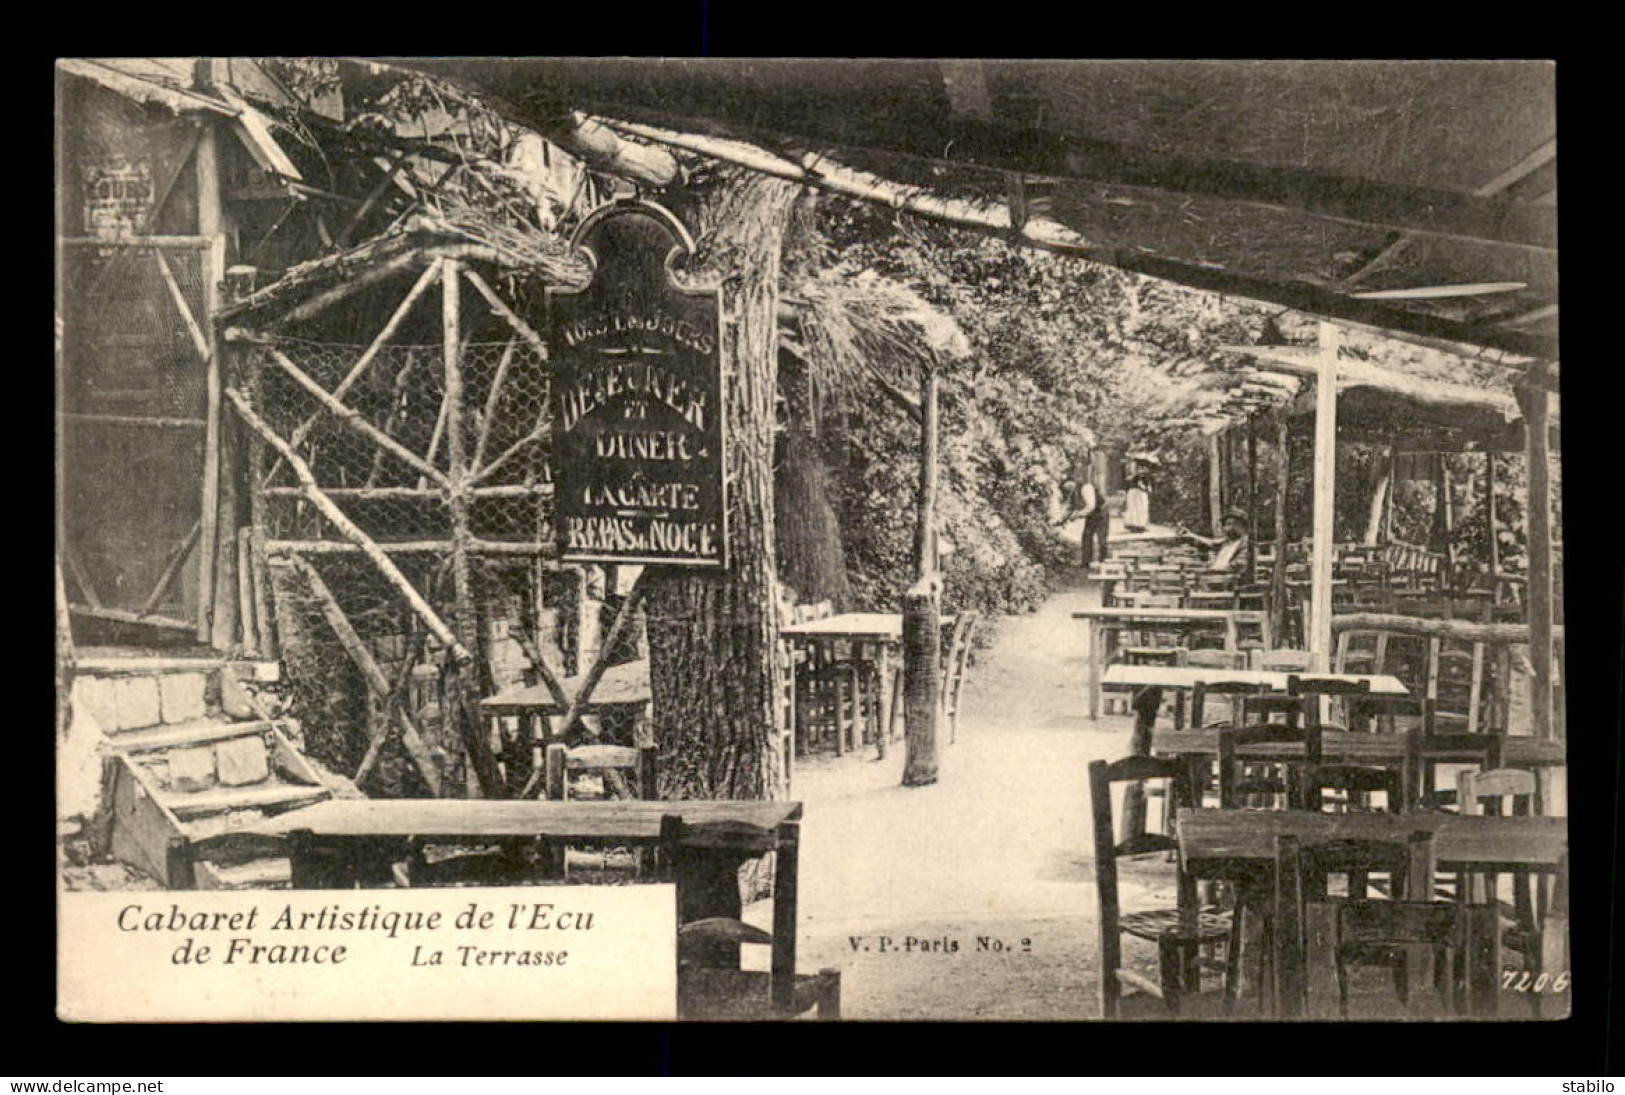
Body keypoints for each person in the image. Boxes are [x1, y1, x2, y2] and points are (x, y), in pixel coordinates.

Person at [1183, 505, 1251, 573]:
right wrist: (1191, 534)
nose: (1228, 528)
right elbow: (1211, 542)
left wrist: (1216, 569)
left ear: (1243, 527)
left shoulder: (1247, 543)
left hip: (1230, 578)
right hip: (1216, 575)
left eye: (1234, 524)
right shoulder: (1227, 541)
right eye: (1227, 524)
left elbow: (1239, 564)